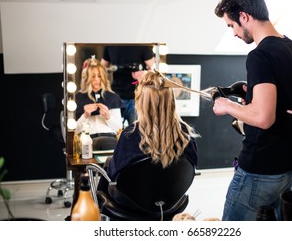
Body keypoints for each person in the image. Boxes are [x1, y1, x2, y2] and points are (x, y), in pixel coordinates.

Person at [212, 0, 292, 221]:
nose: (233, 33)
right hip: (288, 170)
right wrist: (251, 99)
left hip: (258, 171)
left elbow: (264, 118)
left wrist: (227, 105)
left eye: (231, 25)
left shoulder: (259, 56)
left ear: (244, 16)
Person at [97, 70, 199, 205]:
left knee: (109, 165)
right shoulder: (185, 134)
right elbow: (191, 168)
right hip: (171, 201)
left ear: (140, 102)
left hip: (132, 203)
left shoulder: (130, 135)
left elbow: (114, 176)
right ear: (171, 101)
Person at [101, 45, 155, 126]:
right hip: (116, 96)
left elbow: (155, 69)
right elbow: (101, 68)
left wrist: (143, 73)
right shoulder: (111, 45)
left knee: (137, 131)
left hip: (136, 97)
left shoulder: (142, 45)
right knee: (116, 130)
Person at [75, 56, 123, 136]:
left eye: (99, 76)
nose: (97, 79)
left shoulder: (113, 97)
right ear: (86, 77)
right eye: (93, 76)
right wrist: (85, 116)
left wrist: (108, 116)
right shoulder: (78, 98)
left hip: (109, 138)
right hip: (87, 138)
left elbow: (119, 129)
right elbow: (75, 131)